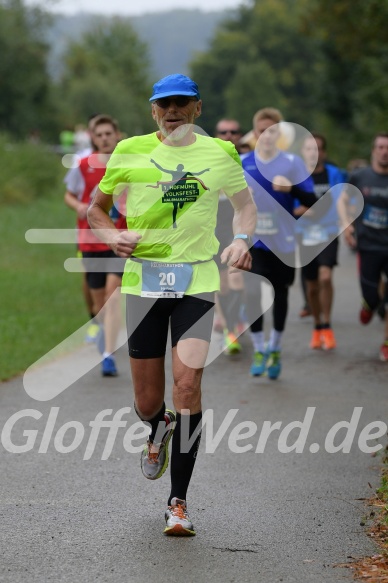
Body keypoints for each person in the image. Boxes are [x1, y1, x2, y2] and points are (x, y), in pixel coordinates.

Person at [87, 74, 256, 536]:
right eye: (165, 105)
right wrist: (111, 234)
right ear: (153, 111)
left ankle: (178, 503)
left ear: (197, 109)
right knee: (147, 401)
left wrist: (242, 239)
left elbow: (245, 206)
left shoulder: (220, 153)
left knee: (187, 390)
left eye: (182, 103)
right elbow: (95, 209)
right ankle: (156, 425)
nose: (173, 110)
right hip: (144, 281)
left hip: (196, 281)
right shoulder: (129, 152)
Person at [242, 107, 317, 379]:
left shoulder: (292, 163)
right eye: (262, 131)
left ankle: (275, 347)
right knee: (253, 293)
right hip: (254, 241)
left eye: (272, 131)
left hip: (284, 242)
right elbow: (222, 202)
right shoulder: (242, 162)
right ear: (255, 133)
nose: (266, 135)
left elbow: (313, 203)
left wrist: (293, 189)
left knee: (280, 295)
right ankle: (260, 348)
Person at [64, 114, 126, 376]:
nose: (104, 138)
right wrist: (78, 205)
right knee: (99, 304)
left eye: (108, 134)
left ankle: (108, 354)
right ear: (93, 138)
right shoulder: (82, 165)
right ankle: (102, 332)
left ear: (117, 135)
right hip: (91, 241)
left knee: (113, 297)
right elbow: (69, 193)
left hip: (119, 240)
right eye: (99, 135)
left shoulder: (127, 164)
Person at [337, 132, 388, 362]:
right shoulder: (360, 176)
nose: (384, 152)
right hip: (368, 244)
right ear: (374, 150)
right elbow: (343, 199)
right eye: (380, 147)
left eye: (387, 148)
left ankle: (386, 343)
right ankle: (369, 304)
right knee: (373, 296)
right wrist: (346, 224)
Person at [296, 133, 344, 350]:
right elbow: (294, 209)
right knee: (312, 286)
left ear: (324, 152)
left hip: (328, 234)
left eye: (318, 148)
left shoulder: (334, 174)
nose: (313, 152)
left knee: (326, 277)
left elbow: (338, 204)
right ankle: (317, 326)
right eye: (309, 149)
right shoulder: (297, 177)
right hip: (305, 237)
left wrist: (313, 209)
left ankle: (327, 324)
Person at [214, 119, 246, 353]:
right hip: (214, 226)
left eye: (233, 132)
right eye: (223, 132)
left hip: (239, 225)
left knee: (237, 279)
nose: (228, 135)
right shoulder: (206, 160)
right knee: (223, 285)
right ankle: (228, 328)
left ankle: (232, 327)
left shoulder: (248, 162)